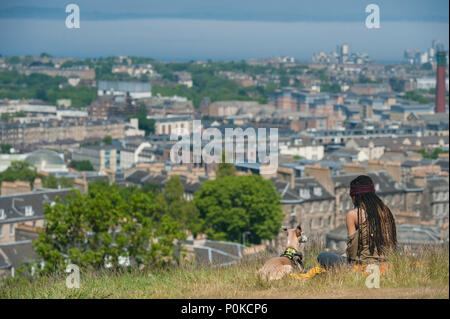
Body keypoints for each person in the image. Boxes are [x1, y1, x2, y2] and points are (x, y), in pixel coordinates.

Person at [317, 175, 397, 269]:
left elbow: (352, 252)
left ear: (355, 196)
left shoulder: (354, 214)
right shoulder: (387, 213)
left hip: (363, 267)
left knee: (323, 256)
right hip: (386, 266)